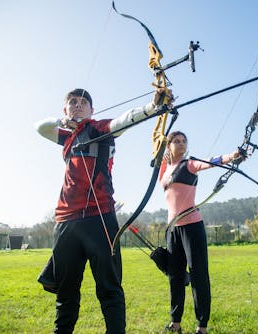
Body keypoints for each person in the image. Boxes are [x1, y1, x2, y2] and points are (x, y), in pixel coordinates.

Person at [35, 87, 172, 334]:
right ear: (65, 109)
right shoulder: (66, 137)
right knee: (66, 294)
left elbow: (124, 120)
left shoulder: (99, 128)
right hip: (66, 220)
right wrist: (62, 121)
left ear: (92, 110)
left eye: (83, 102)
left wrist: (152, 108)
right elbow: (40, 128)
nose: (78, 105)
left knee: (109, 289)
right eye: (73, 102)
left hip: (99, 218)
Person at [158, 131, 243, 334]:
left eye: (183, 141)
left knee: (198, 276)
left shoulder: (189, 164)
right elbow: (157, 159)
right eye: (176, 141)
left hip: (192, 227)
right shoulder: (165, 169)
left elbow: (210, 162)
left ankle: (201, 326)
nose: (181, 144)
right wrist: (161, 150)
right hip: (173, 229)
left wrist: (232, 156)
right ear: (169, 146)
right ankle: (175, 323)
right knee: (175, 277)